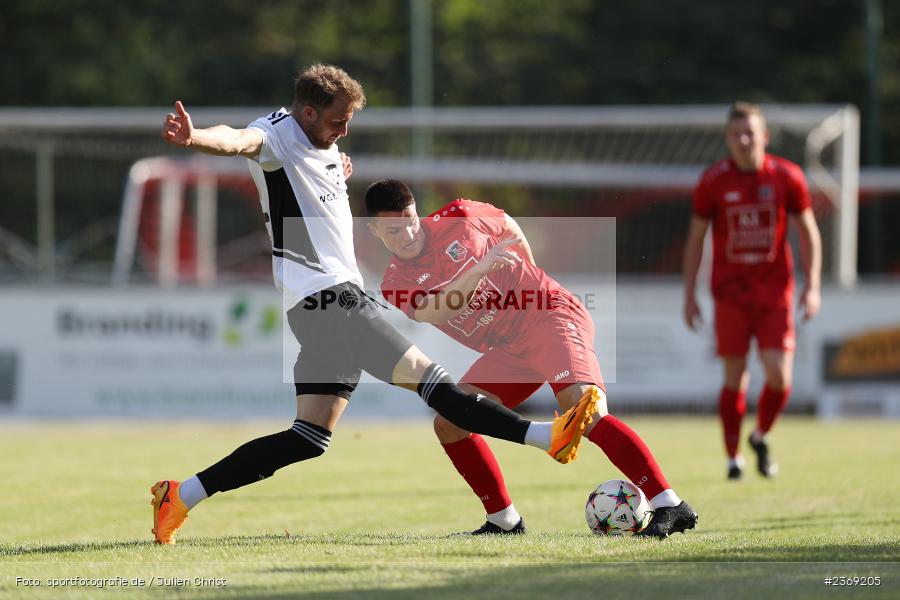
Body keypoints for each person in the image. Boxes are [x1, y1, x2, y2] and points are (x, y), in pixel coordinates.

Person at [151, 64, 597, 545]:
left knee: (308, 438)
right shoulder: (277, 135)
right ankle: (545, 437)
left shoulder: (324, 148)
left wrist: (335, 164)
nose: (344, 130)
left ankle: (180, 495)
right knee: (435, 384)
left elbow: (317, 177)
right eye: (337, 120)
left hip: (319, 307)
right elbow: (237, 139)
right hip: (330, 300)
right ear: (306, 111)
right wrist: (196, 137)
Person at [365, 179, 698, 539]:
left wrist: (532, 277)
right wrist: (479, 270)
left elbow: (508, 224)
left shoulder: (460, 216)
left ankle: (669, 504)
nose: (407, 234)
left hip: (548, 315)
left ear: (417, 212)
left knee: (583, 408)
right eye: (394, 230)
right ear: (375, 230)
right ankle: (503, 520)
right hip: (508, 348)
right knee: (450, 421)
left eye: (411, 220)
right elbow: (433, 311)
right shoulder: (395, 280)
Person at [683, 101, 822, 480]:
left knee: (779, 375)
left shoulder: (786, 176)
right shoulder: (713, 181)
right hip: (729, 294)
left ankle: (760, 436)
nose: (744, 140)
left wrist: (813, 286)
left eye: (751, 133)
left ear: (765, 136)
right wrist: (689, 294)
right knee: (735, 375)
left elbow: (808, 232)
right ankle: (733, 459)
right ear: (727, 139)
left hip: (775, 292)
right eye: (736, 134)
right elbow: (696, 240)